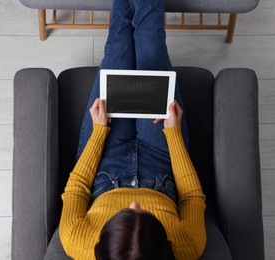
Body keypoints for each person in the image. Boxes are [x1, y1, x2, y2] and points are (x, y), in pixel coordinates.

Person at [59, 0, 206, 259]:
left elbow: (77, 189)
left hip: (106, 159)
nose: (135, 203)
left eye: (125, 213)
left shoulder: (76, 241)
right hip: (162, 162)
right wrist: (173, 133)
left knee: (118, 47)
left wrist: (98, 132)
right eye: (145, 214)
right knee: (151, 45)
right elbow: (192, 197)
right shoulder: (187, 247)